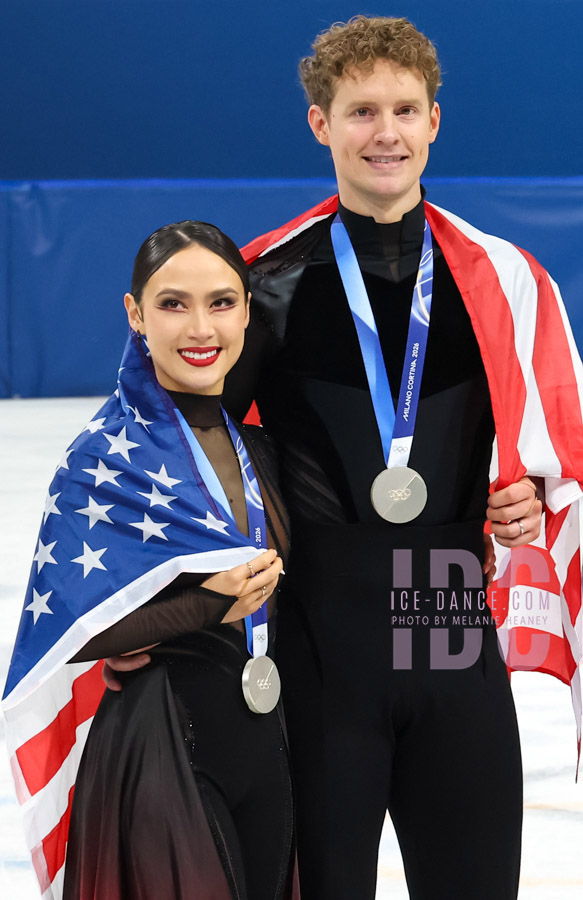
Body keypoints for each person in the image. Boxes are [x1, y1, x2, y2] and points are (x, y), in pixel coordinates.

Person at [104, 15, 582, 900]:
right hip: (316, 651)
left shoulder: (503, 279)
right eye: (361, 111)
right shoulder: (262, 283)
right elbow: (169, 446)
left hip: (446, 629)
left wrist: (528, 498)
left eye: (405, 109)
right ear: (320, 123)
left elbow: (561, 445)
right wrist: (133, 607)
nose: (386, 133)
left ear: (435, 119)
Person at [2, 221, 299, 900]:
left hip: (270, 747)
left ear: (247, 311)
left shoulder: (260, 450)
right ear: (135, 314)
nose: (200, 326)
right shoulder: (101, 460)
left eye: (221, 302)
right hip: (160, 749)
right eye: (173, 303)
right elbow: (71, 636)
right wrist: (208, 605)